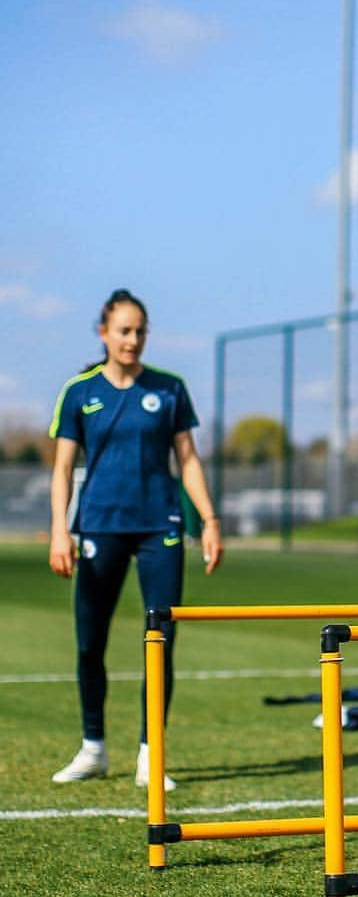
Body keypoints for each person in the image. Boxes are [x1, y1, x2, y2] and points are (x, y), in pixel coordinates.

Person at [48, 289, 223, 789]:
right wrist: (60, 529)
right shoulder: (79, 392)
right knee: (90, 643)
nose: (133, 339)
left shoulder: (169, 389)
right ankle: (93, 747)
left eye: (140, 330)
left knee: (160, 641)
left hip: (159, 528)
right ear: (104, 332)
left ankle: (152, 754)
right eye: (124, 330)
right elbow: (62, 468)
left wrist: (208, 520)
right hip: (98, 526)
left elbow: (187, 460)